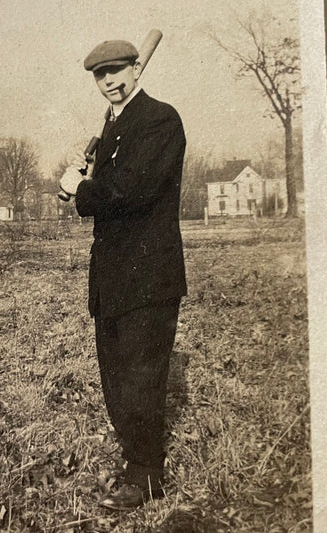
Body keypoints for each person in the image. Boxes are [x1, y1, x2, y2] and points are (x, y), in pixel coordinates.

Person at [59, 39, 187, 510]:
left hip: (148, 274)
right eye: (100, 75)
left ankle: (149, 476)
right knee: (116, 376)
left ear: (137, 68)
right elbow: (114, 184)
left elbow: (131, 190)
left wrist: (82, 189)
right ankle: (135, 459)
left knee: (142, 376)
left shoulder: (159, 119)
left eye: (116, 71)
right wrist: (90, 175)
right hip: (113, 275)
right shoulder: (116, 124)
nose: (109, 81)